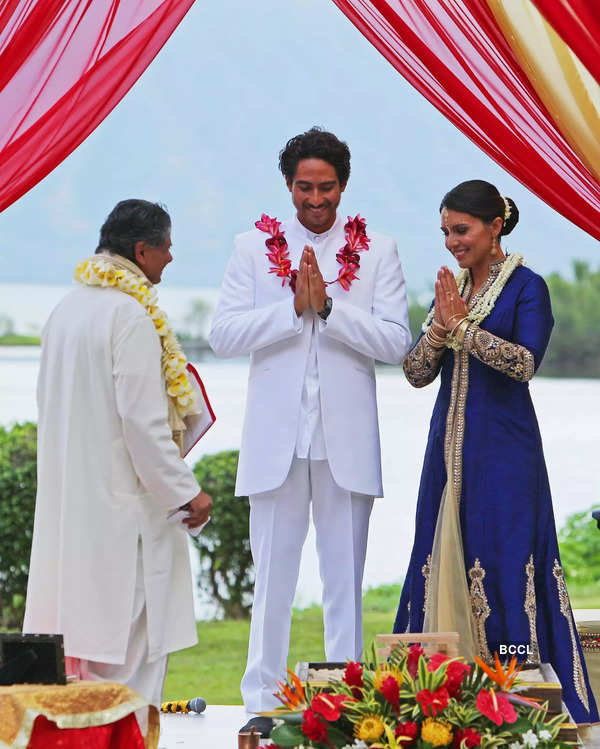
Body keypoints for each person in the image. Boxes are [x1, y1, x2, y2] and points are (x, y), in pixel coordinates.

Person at [209, 127, 411, 734]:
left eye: (326, 188)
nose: (315, 200)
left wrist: (329, 309)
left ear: (343, 187)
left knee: (344, 582)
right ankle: (262, 707)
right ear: (288, 186)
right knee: (272, 579)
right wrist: (290, 309)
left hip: (345, 444)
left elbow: (397, 343)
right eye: (304, 188)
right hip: (277, 442)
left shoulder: (378, 252)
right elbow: (223, 336)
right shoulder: (252, 248)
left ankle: (346, 705)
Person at [393, 180, 598, 724]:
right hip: (448, 459)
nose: (451, 242)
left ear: (494, 227)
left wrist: (460, 327)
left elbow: (524, 363)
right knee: (444, 563)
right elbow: (414, 373)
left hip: (506, 457)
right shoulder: (452, 290)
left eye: (460, 230)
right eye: (445, 232)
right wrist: (440, 328)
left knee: (506, 566)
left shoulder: (529, 288)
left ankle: (521, 701)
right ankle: (440, 701)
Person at [23, 200, 212, 730]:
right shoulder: (129, 314)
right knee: (132, 659)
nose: (170, 259)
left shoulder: (67, 308)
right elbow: (142, 423)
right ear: (142, 250)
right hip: (123, 513)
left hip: (73, 505)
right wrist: (186, 492)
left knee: (83, 649)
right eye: (167, 247)